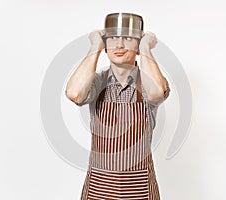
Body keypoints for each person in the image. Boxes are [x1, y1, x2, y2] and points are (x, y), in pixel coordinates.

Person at [65, 13, 170, 200]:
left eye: (128, 38)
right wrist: (94, 47)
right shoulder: (97, 82)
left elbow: (156, 93)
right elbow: (74, 93)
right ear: (105, 45)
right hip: (99, 187)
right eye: (112, 38)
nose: (119, 45)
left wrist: (146, 47)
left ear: (137, 45)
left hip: (139, 190)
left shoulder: (148, 82)